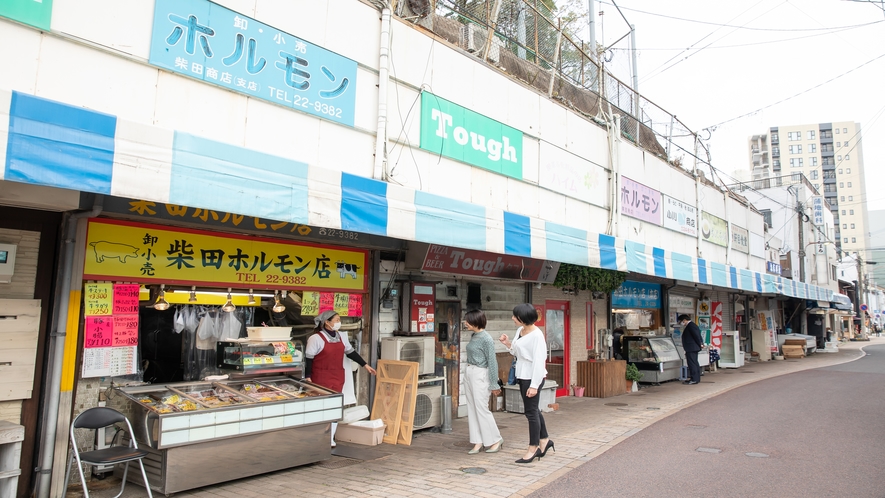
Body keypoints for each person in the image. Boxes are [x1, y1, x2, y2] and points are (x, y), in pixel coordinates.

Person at [304, 310, 376, 447]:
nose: (339, 322)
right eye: (336, 320)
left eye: (339, 320)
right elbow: (309, 359)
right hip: (320, 377)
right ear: (327, 322)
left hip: (337, 376)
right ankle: (318, 436)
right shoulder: (315, 339)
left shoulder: (341, 336)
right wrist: (308, 377)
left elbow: (351, 353)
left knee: (336, 407)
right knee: (321, 407)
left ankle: (331, 438)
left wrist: (365, 365)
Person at [499, 303, 553, 464]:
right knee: (534, 410)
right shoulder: (520, 331)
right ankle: (544, 440)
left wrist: (534, 385)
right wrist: (508, 343)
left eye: (515, 316)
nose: (512, 318)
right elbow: (518, 352)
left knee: (530, 413)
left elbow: (538, 362)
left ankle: (533, 447)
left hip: (532, 377)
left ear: (522, 318)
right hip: (523, 375)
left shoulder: (537, 336)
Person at [462, 309, 504, 454]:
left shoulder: (486, 339)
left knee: (481, 408)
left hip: (480, 373)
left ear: (475, 321)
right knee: (472, 408)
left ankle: (495, 439)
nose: (465, 323)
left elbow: (492, 362)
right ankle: (477, 441)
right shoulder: (474, 336)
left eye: (467, 320)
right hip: (469, 371)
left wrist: (494, 383)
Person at [678, 314, 703, 385]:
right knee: (694, 363)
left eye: (681, 321)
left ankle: (694, 379)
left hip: (691, 348)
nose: (681, 323)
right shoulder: (692, 325)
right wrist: (700, 343)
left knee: (692, 364)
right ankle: (696, 378)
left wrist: (700, 343)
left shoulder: (691, 326)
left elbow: (697, 335)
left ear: (684, 320)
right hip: (692, 347)